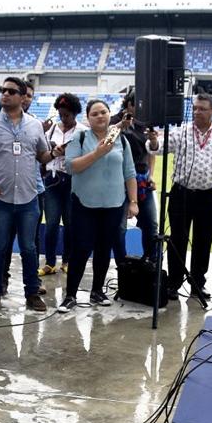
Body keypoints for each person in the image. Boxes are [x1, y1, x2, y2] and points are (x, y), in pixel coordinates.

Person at [147, 92, 212, 306]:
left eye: (202, 109)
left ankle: (198, 282)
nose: (197, 112)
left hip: (209, 196)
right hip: (181, 194)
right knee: (177, 240)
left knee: (203, 242)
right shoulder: (182, 131)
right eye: (195, 108)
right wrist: (152, 141)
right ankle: (174, 283)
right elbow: (159, 148)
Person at [0, 76, 54, 313]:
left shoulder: (34, 125)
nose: (5, 94)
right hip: (0, 199)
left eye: (11, 91)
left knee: (29, 248)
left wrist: (56, 153)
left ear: (23, 97)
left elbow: (43, 155)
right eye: (3, 90)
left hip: (28, 198)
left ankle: (32, 293)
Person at [57, 99, 138, 313]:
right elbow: (71, 167)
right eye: (95, 113)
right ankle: (70, 294)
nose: (100, 116)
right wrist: (97, 154)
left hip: (113, 204)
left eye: (103, 112)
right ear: (88, 118)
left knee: (104, 249)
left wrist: (133, 201)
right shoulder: (80, 137)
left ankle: (97, 291)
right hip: (85, 203)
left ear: (110, 114)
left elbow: (129, 173)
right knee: (81, 249)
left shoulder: (121, 140)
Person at [40, 93, 86, 275]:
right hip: (52, 179)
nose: (64, 118)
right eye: (61, 114)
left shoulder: (82, 131)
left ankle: (67, 260)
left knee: (70, 223)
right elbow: (42, 152)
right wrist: (53, 151)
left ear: (75, 113)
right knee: (51, 223)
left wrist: (69, 154)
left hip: (73, 180)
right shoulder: (51, 130)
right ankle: (50, 262)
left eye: (67, 115)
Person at [111, 89, 158, 264]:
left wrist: (151, 175)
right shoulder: (115, 122)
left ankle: (151, 263)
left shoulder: (146, 123)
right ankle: (122, 266)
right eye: (139, 105)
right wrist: (120, 128)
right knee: (119, 229)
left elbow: (151, 152)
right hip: (119, 182)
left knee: (151, 225)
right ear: (129, 105)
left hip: (142, 180)